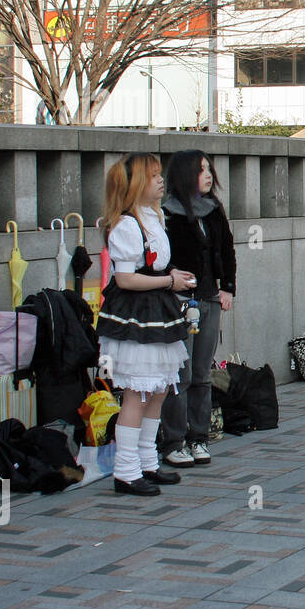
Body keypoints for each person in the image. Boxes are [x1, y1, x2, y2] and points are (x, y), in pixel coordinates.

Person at [97, 154, 194, 496]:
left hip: (157, 310)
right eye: (153, 176)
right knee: (137, 392)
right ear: (136, 183)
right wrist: (169, 282)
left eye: (159, 175)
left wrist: (172, 280)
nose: (160, 180)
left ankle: (147, 462)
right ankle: (125, 471)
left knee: (159, 388)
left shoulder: (154, 217)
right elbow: (124, 278)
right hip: (137, 315)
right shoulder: (126, 225)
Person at [159, 150, 237, 469]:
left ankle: (199, 437)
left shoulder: (214, 209)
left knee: (203, 373)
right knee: (182, 372)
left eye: (208, 169)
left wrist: (227, 287)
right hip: (178, 301)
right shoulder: (167, 212)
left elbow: (227, 250)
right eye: (200, 170)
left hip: (208, 298)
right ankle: (174, 441)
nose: (207, 175)